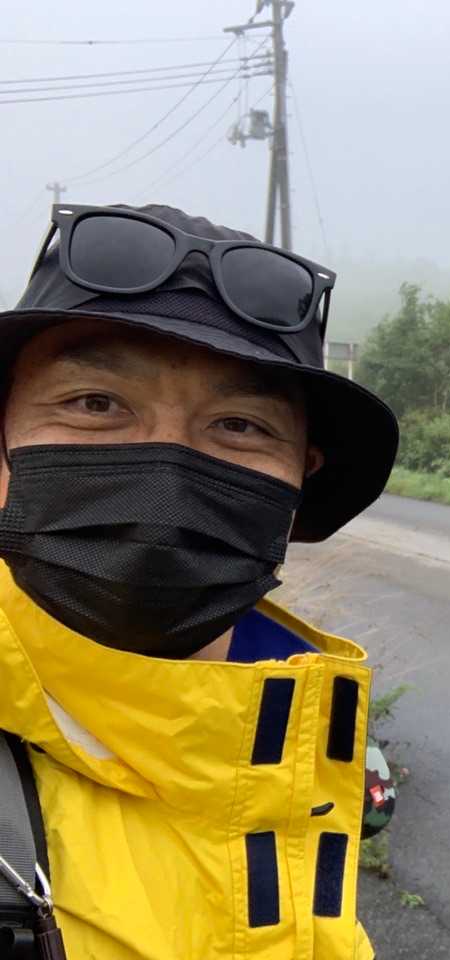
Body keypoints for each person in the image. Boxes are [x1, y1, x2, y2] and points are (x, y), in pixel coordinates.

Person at [0, 203, 399, 957]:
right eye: (95, 404)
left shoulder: (296, 758)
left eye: (240, 425)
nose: (168, 476)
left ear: (297, 486)